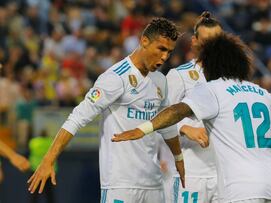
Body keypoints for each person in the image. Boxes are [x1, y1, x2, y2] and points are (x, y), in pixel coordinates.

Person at [112, 33, 271, 203]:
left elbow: (176, 111)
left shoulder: (213, 89)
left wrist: (143, 128)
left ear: (210, 64)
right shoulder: (260, 92)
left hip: (240, 187)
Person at [28, 18, 185, 203]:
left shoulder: (160, 80)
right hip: (120, 184)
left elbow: (166, 123)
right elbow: (77, 117)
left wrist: (178, 158)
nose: (165, 57)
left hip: (154, 183)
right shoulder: (115, 78)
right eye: (161, 49)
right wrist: (48, 159)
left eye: (169, 51)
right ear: (144, 41)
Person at [164, 11, 222, 203]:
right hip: (191, 173)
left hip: (224, 174)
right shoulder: (179, 76)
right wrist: (185, 128)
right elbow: (159, 118)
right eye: (207, 40)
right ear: (194, 41)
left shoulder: (232, 79)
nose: (213, 46)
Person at [29, 129, 56, 203]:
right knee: (49, 193)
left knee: (34, 192)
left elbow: (30, 148)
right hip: (49, 171)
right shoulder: (51, 142)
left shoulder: (34, 142)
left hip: (35, 170)